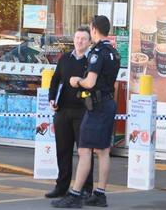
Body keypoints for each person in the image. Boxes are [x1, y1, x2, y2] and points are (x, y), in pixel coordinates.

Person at [52, 15, 120, 208]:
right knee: (103, 150)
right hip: (108, 103)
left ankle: (75, 195)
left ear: (94, 29)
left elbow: (89, 82)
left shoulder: (97, 52)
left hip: (96, 106)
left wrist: (76, 81)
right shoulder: (113, 52)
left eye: (90, 28)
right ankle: (100, 193)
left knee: (83, 150)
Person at [45, 26, 94, 199]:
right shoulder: (65, 58)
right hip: (63, 111)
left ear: (89, 42)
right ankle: (61, 186)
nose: (79, 41)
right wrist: (51, 99)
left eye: (83, 39)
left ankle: (87, 189)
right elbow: (55, 80)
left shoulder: (92, 61)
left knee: (85, 153)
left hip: (83, 112)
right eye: (77, 38)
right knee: (63, 151)